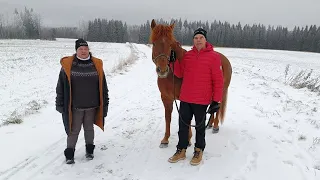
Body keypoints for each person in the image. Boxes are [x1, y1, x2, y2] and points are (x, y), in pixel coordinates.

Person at [168, 28, 224, 166]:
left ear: (205, 40)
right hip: (186, 98)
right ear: (193, 40)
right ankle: (181, 149)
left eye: (201, 38)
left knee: (200, 127)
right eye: (196, 38)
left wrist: (216, 100)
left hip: (202, 99)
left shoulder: (214, 57)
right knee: (183, 126)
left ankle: (198, 150)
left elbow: (218, 80)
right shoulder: (188, 56)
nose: (198, 40)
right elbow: (180, 74)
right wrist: (173, 62)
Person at [55, 38, 109, 164]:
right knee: (73, 130)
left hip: (92, 105)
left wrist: (105, 103)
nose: (83, 51)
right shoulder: (68, 66)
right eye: (80, 49)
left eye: (85, 49)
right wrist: (60, 103)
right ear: (76, 51)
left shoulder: (97, 65)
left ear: (89, 50)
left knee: (89, 129)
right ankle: (70, 154)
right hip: (75, 106)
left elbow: (103, 86)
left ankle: (89, 151)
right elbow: (60, 87)